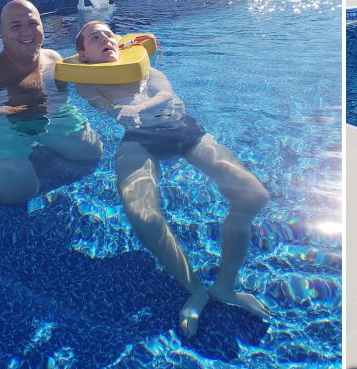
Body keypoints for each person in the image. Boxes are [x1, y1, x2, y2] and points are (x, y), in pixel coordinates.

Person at [71, 21, 270, 336]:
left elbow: (166, 95)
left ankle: (225, 286)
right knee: (141, 214)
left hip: (181, 129)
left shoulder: (143, 68)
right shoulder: (85, 81)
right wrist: (120, 112)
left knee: (253, 195)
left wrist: (138, 106)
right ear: (83, 54)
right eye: (96, 38)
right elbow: (104, 106)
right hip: (138, 138)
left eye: (109, 34)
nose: (106, 39)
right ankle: (195, 289)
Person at [0, 0, 102, 204]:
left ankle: (34, 145)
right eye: (16, 26)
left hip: (47, 117)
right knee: (17, 194)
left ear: (42, 26)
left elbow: (62, 98)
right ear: (2, 33)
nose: (27, 32)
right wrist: (15, 110)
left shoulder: (53, 59)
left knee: (90, 151)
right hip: (4, 126)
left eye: (33, 24)